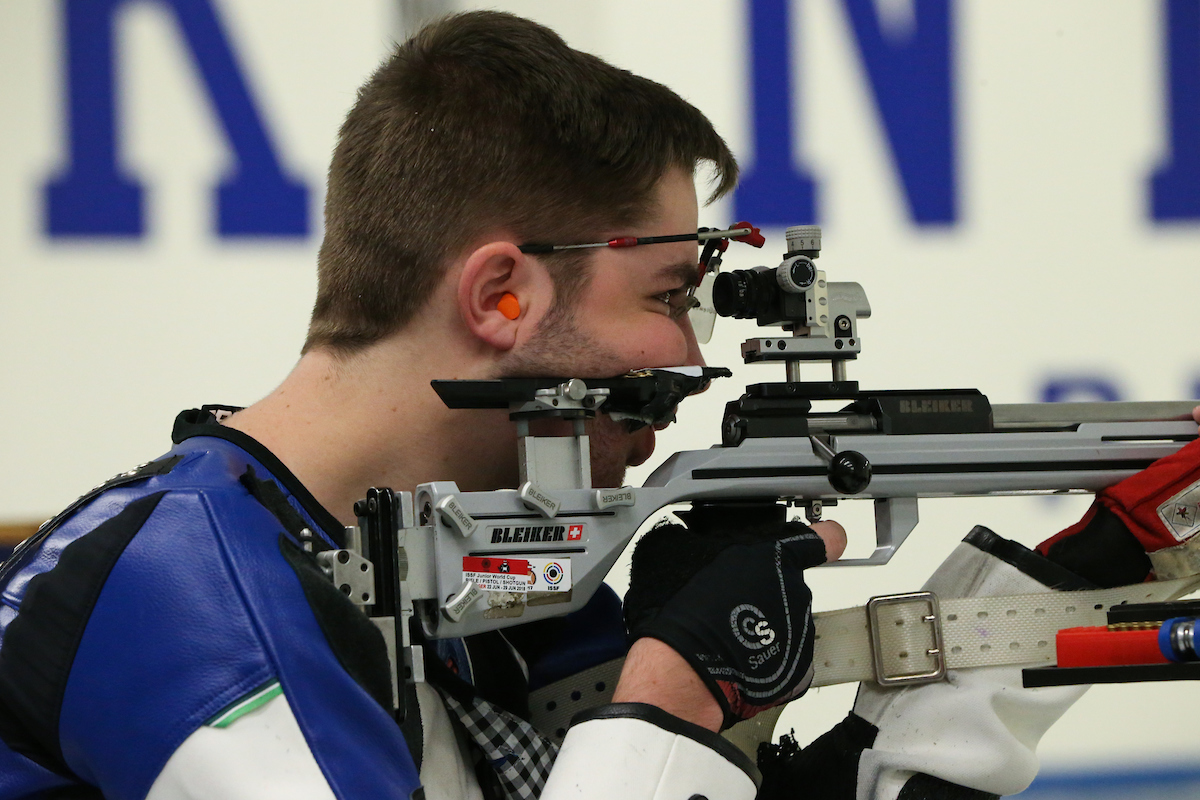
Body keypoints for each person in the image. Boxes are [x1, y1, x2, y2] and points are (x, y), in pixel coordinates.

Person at [0, 11, 842, 800]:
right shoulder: (186, 594)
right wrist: (663, 712)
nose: (689, 359)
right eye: (667, 299)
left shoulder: (466, 583)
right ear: (502, 296)